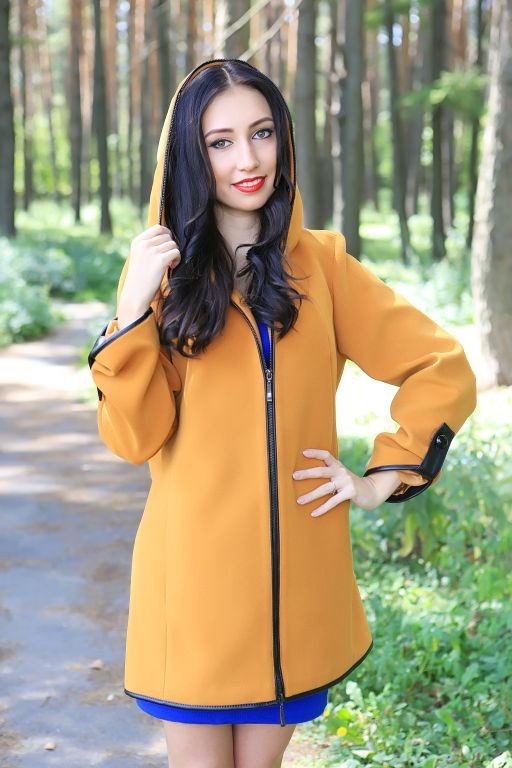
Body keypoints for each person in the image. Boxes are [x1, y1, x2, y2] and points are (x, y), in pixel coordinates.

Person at [88, 58, 477, 768]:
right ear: (191, 155)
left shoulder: (322, 267)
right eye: (221, 141)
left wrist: (382, 476)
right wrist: (131, 314)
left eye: (262, 133)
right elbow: (132, 437)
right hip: (194, 590)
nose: (249, 159)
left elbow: (439, 365)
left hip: (295, 597)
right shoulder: (160, 277)